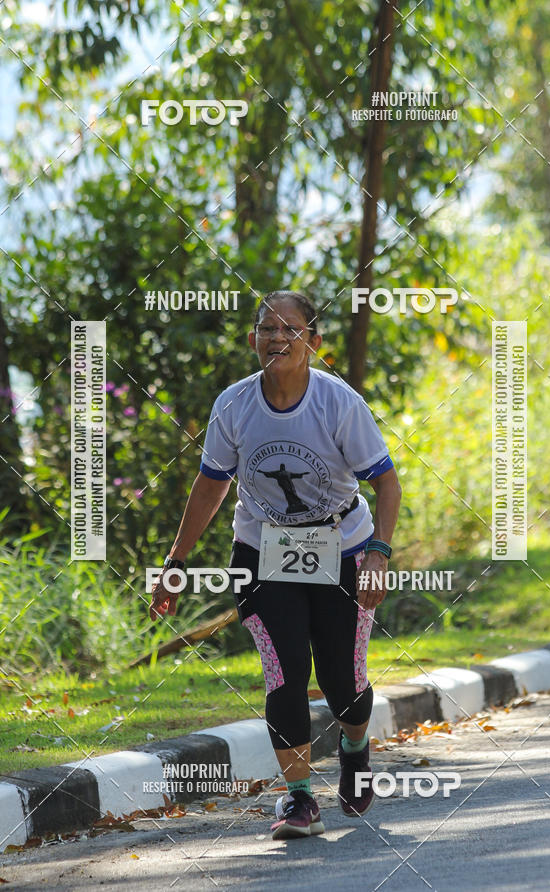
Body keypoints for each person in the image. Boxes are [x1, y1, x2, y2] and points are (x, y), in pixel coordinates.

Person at [150, 291, 402, 840]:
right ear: (252, 341)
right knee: (284, 673)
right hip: (262, 554)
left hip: (345, 549)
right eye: (268, 329)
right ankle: (299, 798)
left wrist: (379, 555)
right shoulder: (234, 406)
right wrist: (176, 562)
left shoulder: (338, 404)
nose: (278, 339)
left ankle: (355, 748)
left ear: (313, 343)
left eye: (292, 330)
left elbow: (385, 482)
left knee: (342, 681)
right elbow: (212, 486)